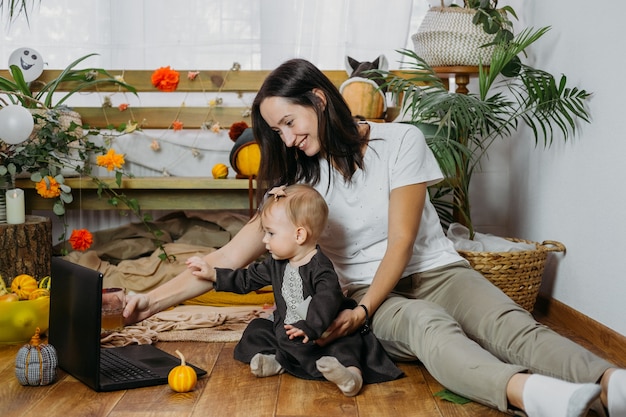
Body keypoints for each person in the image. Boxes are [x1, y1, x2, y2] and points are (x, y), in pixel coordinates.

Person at [125, 58, 626, 417]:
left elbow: (402, 241)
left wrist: (362, 315)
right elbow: (227, 257)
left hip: (436, 270)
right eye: (277, 131)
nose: (286, 138)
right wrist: (149, 302)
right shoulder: (297, 187)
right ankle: (532, 396)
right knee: (429, 327)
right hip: (363, 293)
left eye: (289, 123)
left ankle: (611, 382)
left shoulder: (399, 140)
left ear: (318, 100)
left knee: (508, 323)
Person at [185, 183, 403, 396]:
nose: (264, 240)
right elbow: (247, 279)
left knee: (347, 346)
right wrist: (214, 274)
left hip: (320, 335)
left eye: (270, 233)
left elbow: (327, 299)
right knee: (256, 330)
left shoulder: (320, 268)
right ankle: (278, 361)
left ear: (299, 235)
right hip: (287, 333)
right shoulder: (275, 264)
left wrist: (310, 327)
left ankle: (351, 377)